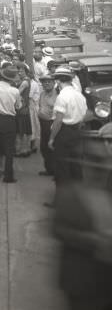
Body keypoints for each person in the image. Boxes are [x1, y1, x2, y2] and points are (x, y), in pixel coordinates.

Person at [52, 124, 112, 310]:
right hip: (81, 282)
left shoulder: (107, 195)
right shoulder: (69, 195)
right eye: (93, 163)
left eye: (102, 163)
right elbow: (57, 228)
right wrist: (94, 240)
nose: (98, 169)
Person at [49, 66, 88, 186]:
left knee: (62, 167)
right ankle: (77, 198)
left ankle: (61, 201)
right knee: (76, 166)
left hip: (64, 133)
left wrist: (51, 139)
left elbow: (58, 121)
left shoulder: (62, 97)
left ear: (58, 81)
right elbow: (83, 116)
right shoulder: (80, 96)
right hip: (77, 132)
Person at [0, 65, 23, 183]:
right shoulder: (15, 91)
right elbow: (18, 106)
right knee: (9, 150)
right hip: (8, 120)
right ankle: (8, 175)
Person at [38, 74, 58, 177]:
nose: (46, 83)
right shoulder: (42, 94)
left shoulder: (58, 95)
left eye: (49, 81)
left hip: (52, 123)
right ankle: (49, 169)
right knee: (43, 148)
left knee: (52, 147)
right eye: (44, 82)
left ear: (54, 83)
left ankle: (55, 171)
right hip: (43, 123)